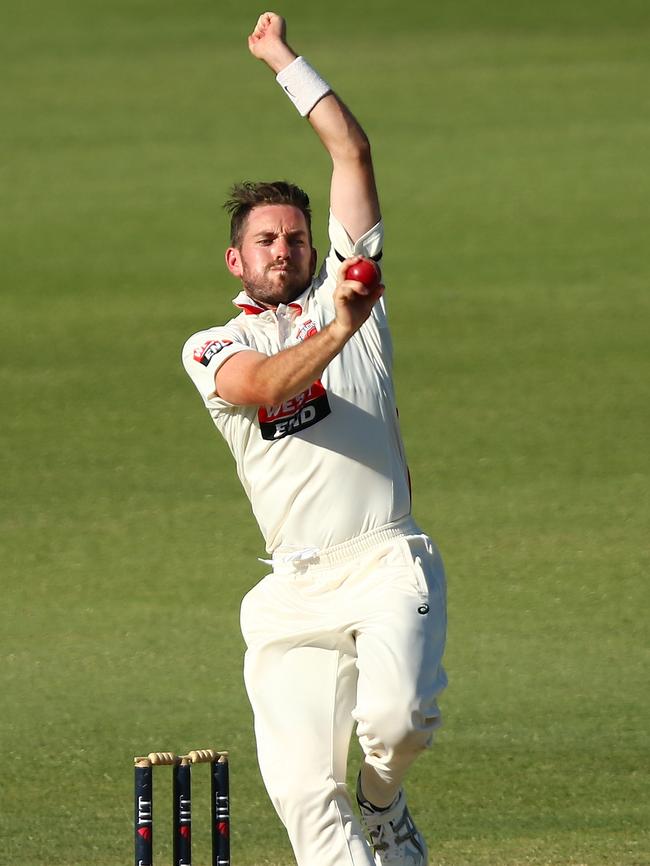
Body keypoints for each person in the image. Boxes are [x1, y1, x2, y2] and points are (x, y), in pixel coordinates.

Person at [182, 12, 447, 866]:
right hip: (293, 593)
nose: (285, 249)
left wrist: (281, 60)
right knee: (302, 794)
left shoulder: (349, 286)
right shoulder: (214, 346)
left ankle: (386, 803)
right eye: (266, 240)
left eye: (297, 238)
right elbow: (264, 388)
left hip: (383, 558)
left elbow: (351, 155)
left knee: (397, 724)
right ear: (237, 261)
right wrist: (340, 328)